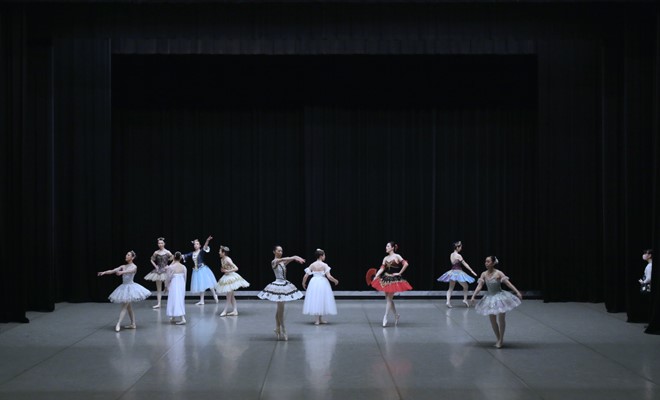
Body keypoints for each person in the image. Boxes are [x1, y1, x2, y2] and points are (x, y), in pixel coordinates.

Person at [470, 256, 522, 348]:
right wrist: (473, 296)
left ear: (493, 263)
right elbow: (479, 286)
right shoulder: (484, 274)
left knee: (501, 319)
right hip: (489, 298)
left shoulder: (498, 273)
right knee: (492, 320)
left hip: (500, 297)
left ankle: (501, 339)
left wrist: (517, 292)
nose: (486, 263)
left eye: (488, 261)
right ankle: (498, 338)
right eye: (485, 261)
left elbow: (508, 283)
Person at [258, 245, 305, 340]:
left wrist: (294, 257)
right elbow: (284, 259)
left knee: (280, 309)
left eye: (281, 251)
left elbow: (287, 260)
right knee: (281, 309)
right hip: (278, 286)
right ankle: (283, 328)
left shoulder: (282, 262)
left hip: (284, 284)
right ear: (274, 252)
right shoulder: (274, 261)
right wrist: (294, 257)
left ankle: (277, 328)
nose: (280, 252)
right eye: (279, 251)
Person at [98, 251, 151, 332]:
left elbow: (131, 271)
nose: (126, 256)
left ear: (132, 257)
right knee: (129, 307)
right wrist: (104, 272)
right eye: (126, 254)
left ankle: (118, 323)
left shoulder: (134, 266)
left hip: (130, 288)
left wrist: (122, 272)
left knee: (124, 307)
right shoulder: (123, 266)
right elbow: (113, 270)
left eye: (128, 255)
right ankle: (133, 324)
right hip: (124, 287)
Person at [371, 241, 412, 327]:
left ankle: (385, 317)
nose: (386, 248)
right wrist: (376, 276)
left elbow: (406, 264)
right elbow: (382, 269)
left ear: (392, 248)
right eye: (386, 246)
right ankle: (396, 315)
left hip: (394, 280)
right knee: (388, 299)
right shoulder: (385, 258)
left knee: (389, 299)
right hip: (386, 279)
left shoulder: (397, 256)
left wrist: (399, 273)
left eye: (388, 246)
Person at [302, 249, 339, 325]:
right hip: (322, 282)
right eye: (324, 255)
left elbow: (306, 276)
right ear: (321, 256)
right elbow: (329, 276)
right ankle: (317, 320)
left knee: (316, 299)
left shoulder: (312, 265)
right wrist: (335, 281)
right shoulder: (324, 265)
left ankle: (319, 319)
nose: (325, 256)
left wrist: (303, 283)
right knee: (321, 299)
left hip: (314, 282)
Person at [437, 240, 477, 308]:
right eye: (460, 247)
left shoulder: (451, 254)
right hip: (458, 273)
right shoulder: (458, 255)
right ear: (457, 247)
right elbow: (465, 264)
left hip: (452, 272)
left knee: (450, 288)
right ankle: (465, 299)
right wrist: (471, 271)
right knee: (466, 286)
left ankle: (448, 301)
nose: (461, 248)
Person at [182, 236, 219, 305]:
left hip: (203, 269)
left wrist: (207, 240)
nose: (195, 245)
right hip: (196, 271)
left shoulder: (201, 251)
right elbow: (184, 255)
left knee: (209, 283)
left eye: (197, 244)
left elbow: (205, 246)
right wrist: (177, 255)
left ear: (199, 245)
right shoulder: (192, 253)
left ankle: (215, 295)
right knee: (201, 286)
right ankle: (202, 300)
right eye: (194, 244)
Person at [215, 246, 250, 316]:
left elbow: (236, 268)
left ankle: (225, 311)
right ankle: (235, 311)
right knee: (231, 296)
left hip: (231, 278)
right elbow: (224, 268)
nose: (219, 252)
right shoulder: (222, 259)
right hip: (226, 277)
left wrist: (228, 271)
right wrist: (223, 270)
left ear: (223, 253)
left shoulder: (228, 259)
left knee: (228, 297)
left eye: (220, 251)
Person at [144, 237, 173, 309]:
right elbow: (151, 259)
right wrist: (155, 266)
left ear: (164, 244)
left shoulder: (167, 252)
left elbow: (173, 258)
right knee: (159, 289)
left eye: (161, 243)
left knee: (168, 288)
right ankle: (159, 303)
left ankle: (171, 303)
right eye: (159, 243)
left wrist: (169, 266)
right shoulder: (156, 252)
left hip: (166, 271)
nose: (160, 244)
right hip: (158, 271)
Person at [165, 252, 187, 325]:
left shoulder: (171, 267)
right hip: (181, 284)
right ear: (180, 258)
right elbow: (185, 278)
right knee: (178, 299)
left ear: (174, 257)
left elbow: (168, 278)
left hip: (174, 284)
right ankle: (173, 316)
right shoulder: (184, 267)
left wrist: (166, 286)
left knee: (175, 299)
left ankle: (182, 318)